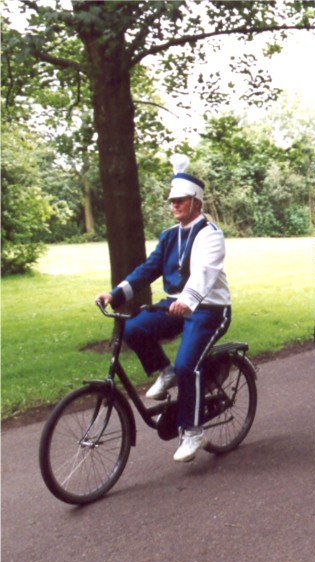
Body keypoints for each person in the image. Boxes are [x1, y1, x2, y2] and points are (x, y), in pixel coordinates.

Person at [96, 154, 230, 463]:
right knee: (133, 327)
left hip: (209, 308)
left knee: (188, 365)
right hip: (174, 305)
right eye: (172, 201)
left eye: (181, 200)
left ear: (196, 202)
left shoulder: (210, 235)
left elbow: (205, 273)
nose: (175, 206)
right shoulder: (169, 236)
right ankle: (164, 371)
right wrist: (115, 294)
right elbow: (147, 269)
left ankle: (194, 430)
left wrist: (189, 299)